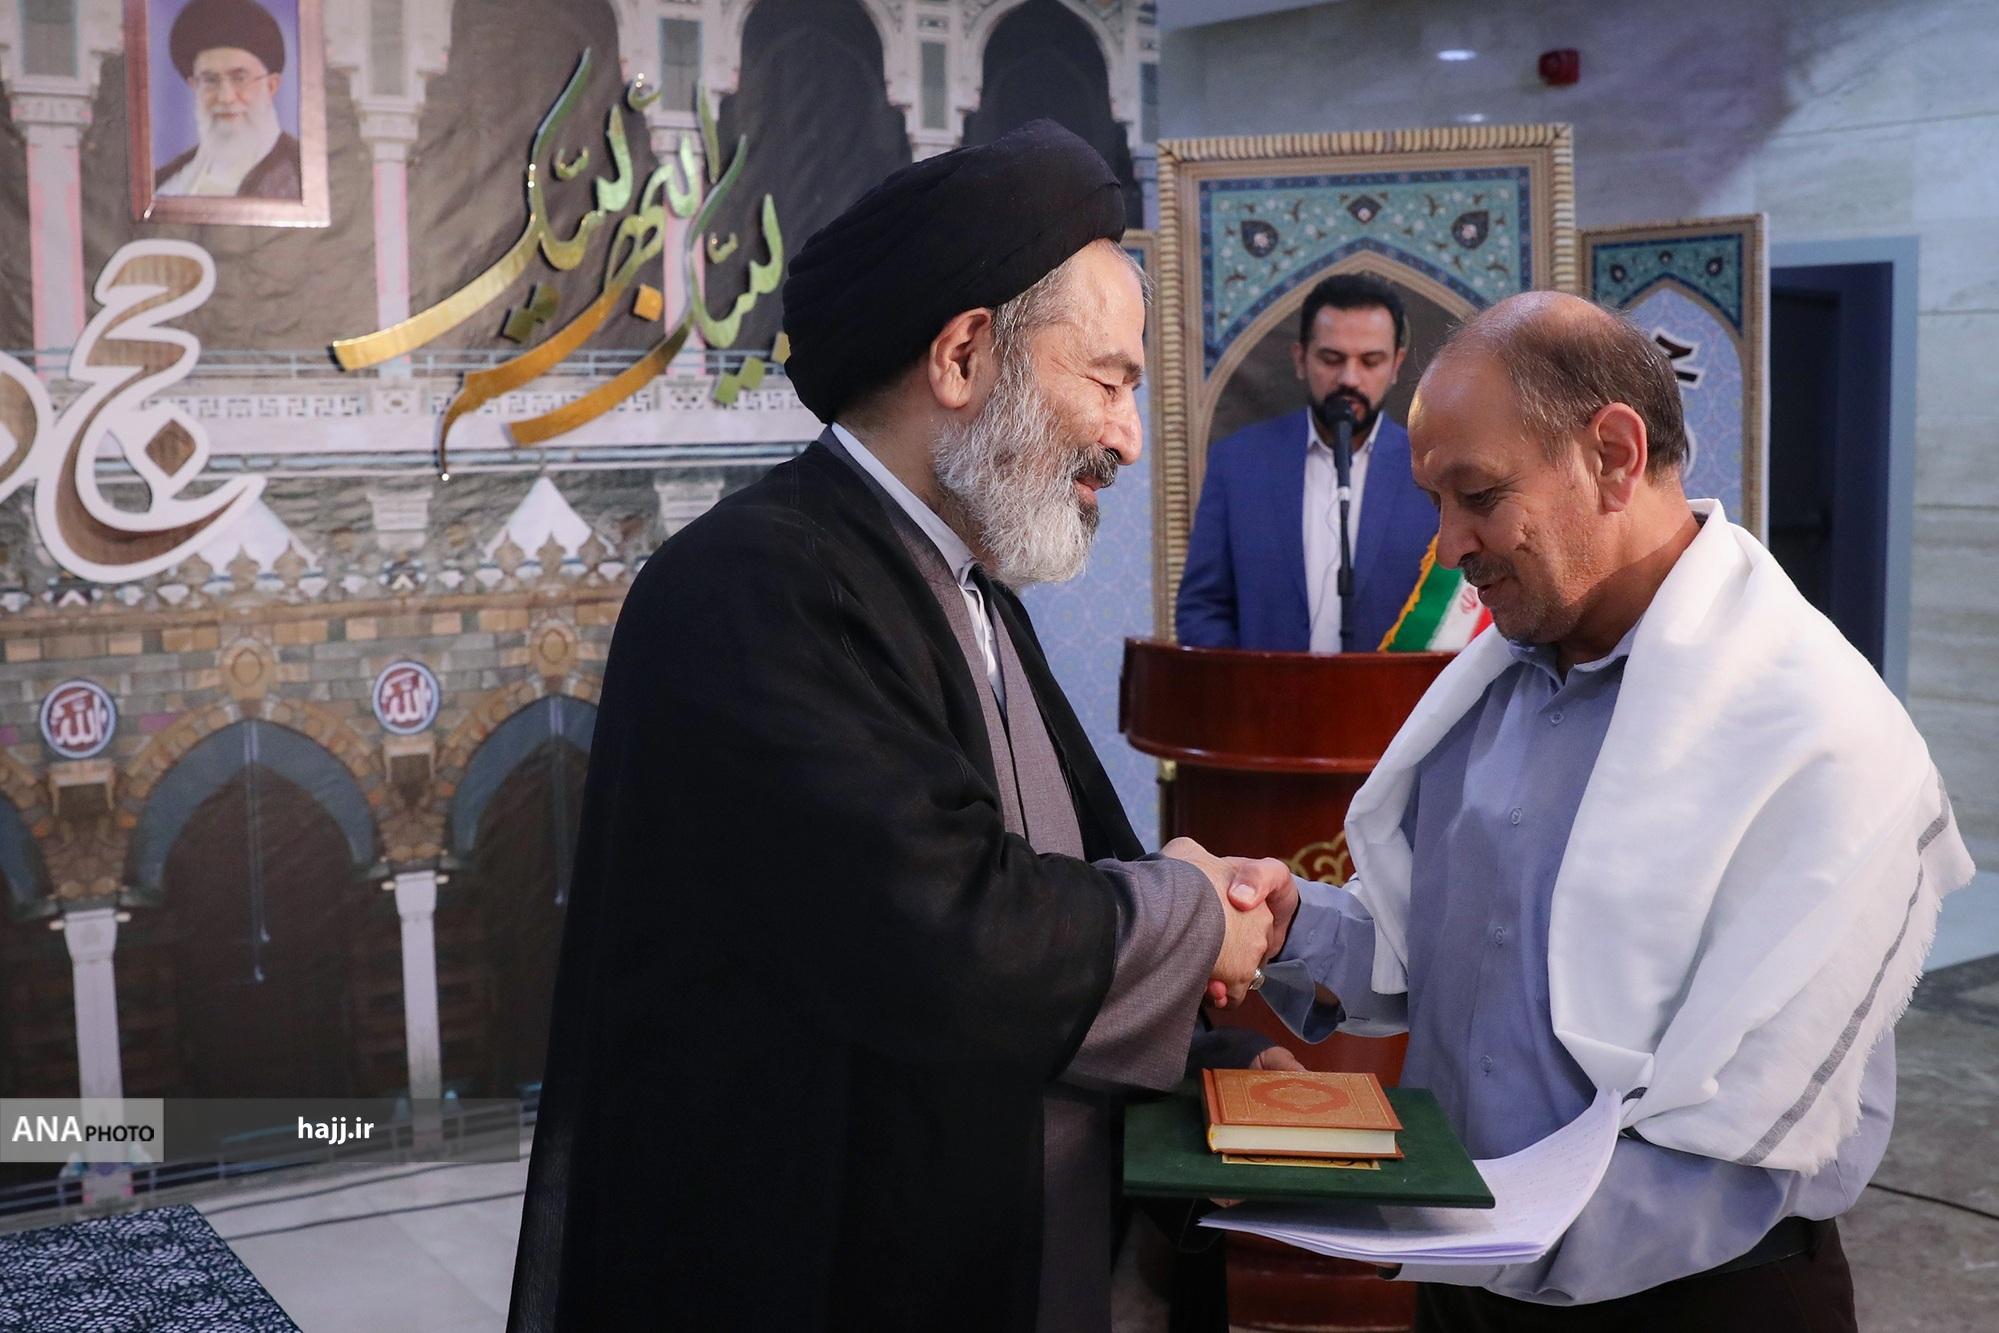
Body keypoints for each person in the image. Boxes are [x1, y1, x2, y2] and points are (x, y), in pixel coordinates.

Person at [508, 121, 1294, 1333]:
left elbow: (1058, 899)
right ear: (964, 356)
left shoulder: (968, 587)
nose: (1128, 438)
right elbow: (952, 941)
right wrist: (1191, 914)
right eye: (1109, 381)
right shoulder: (757, 589)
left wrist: (1219, 1066)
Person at [1252, 291, 1975, 1330]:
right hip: (1474, 1273)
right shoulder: (1492, 689)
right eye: (1435, 502)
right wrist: (1286, 921)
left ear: (1614, 455)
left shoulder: (1815, 732)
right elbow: (1437, 958)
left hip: (1697, 1297)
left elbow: (1742, 1133)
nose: (1448, 545)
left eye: (1478, 495)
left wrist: (1421, 1216)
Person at [1176, 272, 1437, 651]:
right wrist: (1243, 681)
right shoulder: (1238, 462)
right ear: (1301, 359)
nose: (1350, 379)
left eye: (1370, 361)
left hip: (1398, 689)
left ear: (1396, 365)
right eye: (1331, 359)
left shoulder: (1430, 471)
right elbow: (1202, 609)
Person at [155, 0, 302, 200]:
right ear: (194, 86)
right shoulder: (166, 183)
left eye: (239, 78)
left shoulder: (303, 173)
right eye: (210, 80)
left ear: (271, 86)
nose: (225, 97)